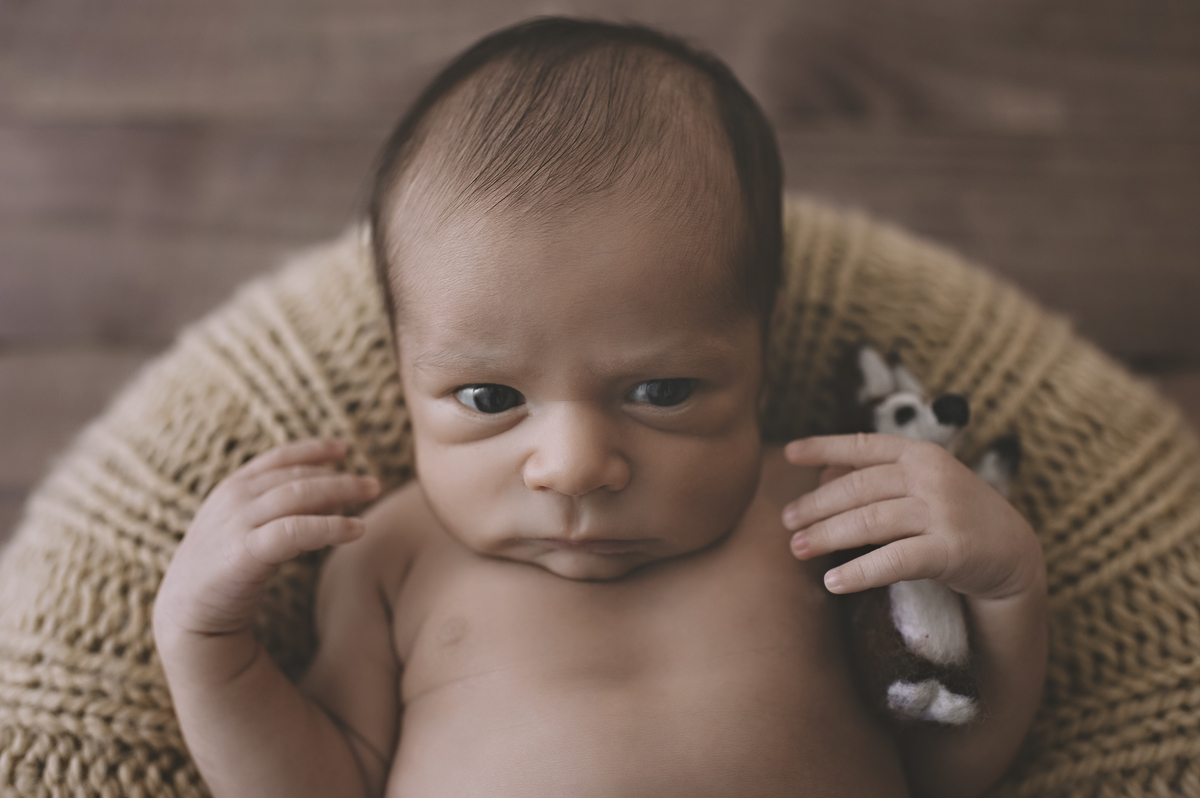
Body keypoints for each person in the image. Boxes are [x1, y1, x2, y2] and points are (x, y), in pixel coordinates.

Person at [152, 17, 1047, 798]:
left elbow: (943, 769)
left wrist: (1006, 584)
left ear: (761, 357)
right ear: (400, 373)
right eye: (491, 398)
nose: (575, 467)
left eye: (660, 392)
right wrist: (205, 647)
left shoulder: (819, 509)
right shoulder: (387, 556)